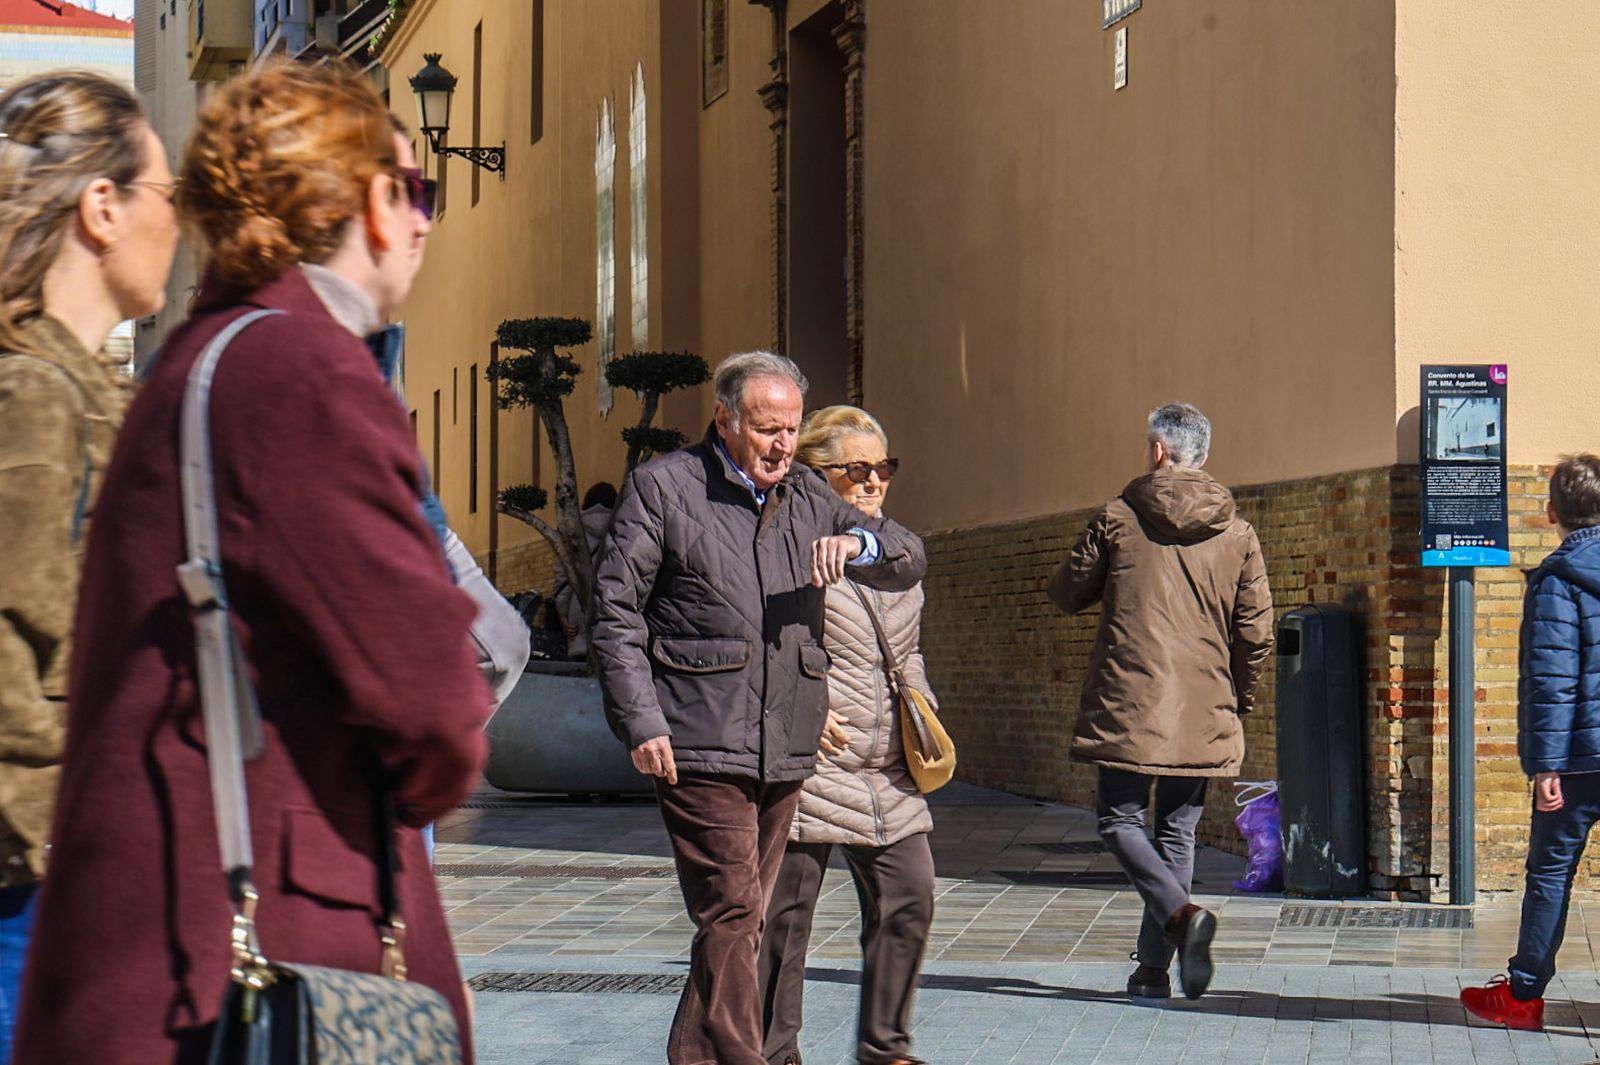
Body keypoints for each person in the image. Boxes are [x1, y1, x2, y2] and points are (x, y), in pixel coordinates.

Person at [12, 62, 492, 1064]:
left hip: (142, 949)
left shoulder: (198, 360)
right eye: (417, 194)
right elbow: (434, 705)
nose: (422, 225)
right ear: (367, 199)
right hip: (252, 968)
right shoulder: (304, 373)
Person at [590, 352, 926, 1065]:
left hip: (786, 738)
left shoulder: (808, 493)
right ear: (725, 419)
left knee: (739, 919)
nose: (781, 444)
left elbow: (905, 554)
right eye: (767, 428)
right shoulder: (663, 487)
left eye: (791, 429)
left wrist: (857, 538)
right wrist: (640, 719)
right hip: (697, 735)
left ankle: (696, 1053)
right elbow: (615, 613)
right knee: (735, 910)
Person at [0, 72, 179, 1063]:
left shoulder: (81, 389)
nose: (178, 224)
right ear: (101, 207)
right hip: (34, 896)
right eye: (166, 195)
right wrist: (72, 837)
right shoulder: (32, 390)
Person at [1048, 402, 1273, 1002]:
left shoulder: (1118, 518)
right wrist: (1238, 700)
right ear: (1201, 455)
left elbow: (1067, 592)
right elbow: (1256, 632)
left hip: (1129, 697)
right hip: (1205, 704)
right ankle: (1152, 972)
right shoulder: (1238, 533)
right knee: (1177, 832)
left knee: (1118, 820)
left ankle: (1178, 917)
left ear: (1156, 451)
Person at [758, 405, 936, 1065]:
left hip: (885, 761)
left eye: (881, 469)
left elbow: (907, 651)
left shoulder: (893, 549)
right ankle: (773, 1053)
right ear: (814, 472)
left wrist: (921, 709)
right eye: (854, 470)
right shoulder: (785, 538)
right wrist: (805, 699)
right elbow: (763, 635)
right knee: (785, 919)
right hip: (814, 756)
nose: (871, 482)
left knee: (910, 894)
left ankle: (884, 1045)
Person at [1460, 455, 1600, 1032]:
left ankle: (1522, 997)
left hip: (1575, 761)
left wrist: (1545, 766)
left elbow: (1552, 678)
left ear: (1551, 513)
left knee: (1549, 873)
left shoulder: (1557, 579)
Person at [555, 480, 618, 659]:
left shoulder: (572, 529)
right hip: (613, 603)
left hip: (579, 604)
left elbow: (563, 576)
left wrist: (562, 615)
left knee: (581, 664)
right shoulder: (622, 527)